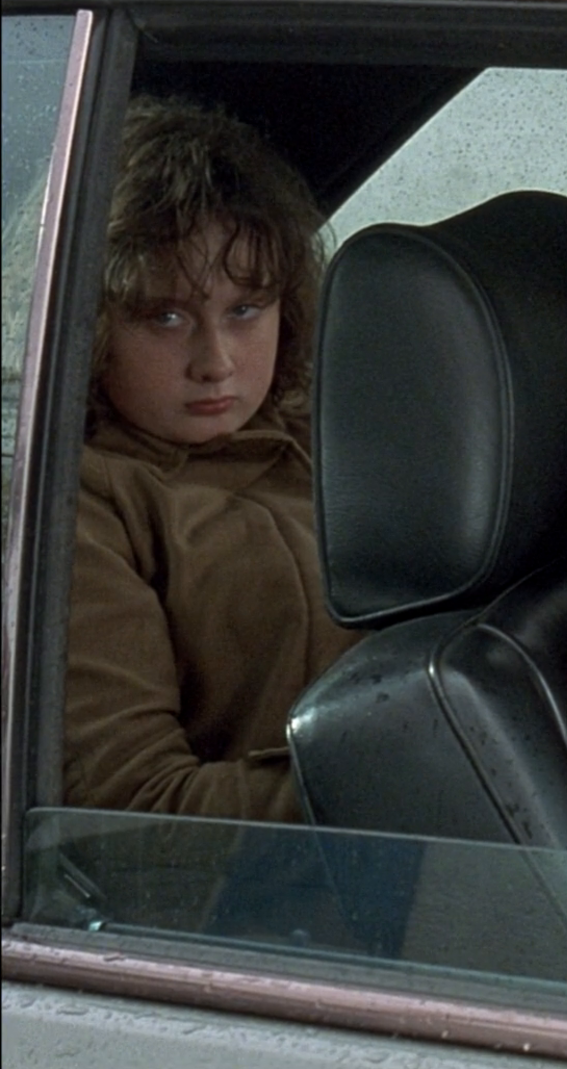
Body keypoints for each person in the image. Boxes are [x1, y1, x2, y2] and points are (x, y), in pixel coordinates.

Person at [64, 96, 360, 820]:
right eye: (166, 316)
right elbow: (134, 812)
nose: (216, 362)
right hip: (262, 883)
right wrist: (404, 797)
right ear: (93, 324)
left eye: (244, 310)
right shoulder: (80, 504)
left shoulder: (332, 434)